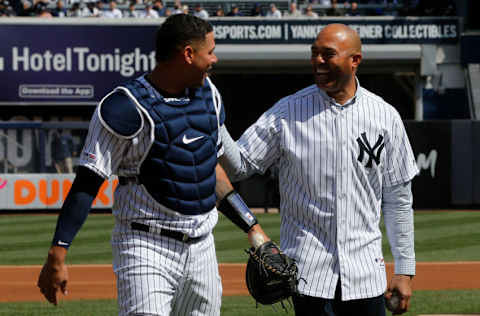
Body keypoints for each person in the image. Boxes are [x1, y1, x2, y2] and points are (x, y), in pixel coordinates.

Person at [37, 14, 271, 316]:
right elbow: (87, 182)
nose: (214, 58)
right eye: (210, 50)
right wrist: (58, 253)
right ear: (188, 54)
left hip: (202, 248)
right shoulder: (124, 106)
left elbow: (207, 170)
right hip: (146, 244)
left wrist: (253, 228)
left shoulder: (209, 95)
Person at [219, 23, 418, 316]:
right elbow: (240, 165)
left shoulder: (385, 116)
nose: (318, 62)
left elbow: (399, 199)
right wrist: (212, 119)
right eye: (314, 54)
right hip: (308, 278)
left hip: (366, 276)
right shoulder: (287, 112)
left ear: (355, 60)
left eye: (328, 54)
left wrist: (405, 270)